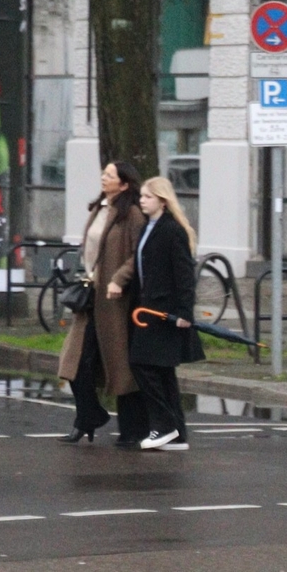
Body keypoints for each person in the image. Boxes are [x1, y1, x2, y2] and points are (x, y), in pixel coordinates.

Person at [110, 176, 205, 452]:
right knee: (163, 373)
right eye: (141, 196)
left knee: (142, 364)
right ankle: (177, 433)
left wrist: (185, 311)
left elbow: (184, 275)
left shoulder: (171, 230)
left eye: (147, 197)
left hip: (163, 312)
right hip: (146, 308)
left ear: (162, 200)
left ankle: (164, 426)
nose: (142, 200)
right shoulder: (147, 228)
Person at [58, 162, 145, 446]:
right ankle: (90, 414)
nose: (103, 177)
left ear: (124, 184)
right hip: (91, 294)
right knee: (72, 363)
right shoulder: (99, 208)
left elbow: (138, 254)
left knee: (116, 363)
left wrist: (120, 278)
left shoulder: (131, 214)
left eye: (109, 175)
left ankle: (129, 429)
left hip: (114, 300)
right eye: (104, 173)